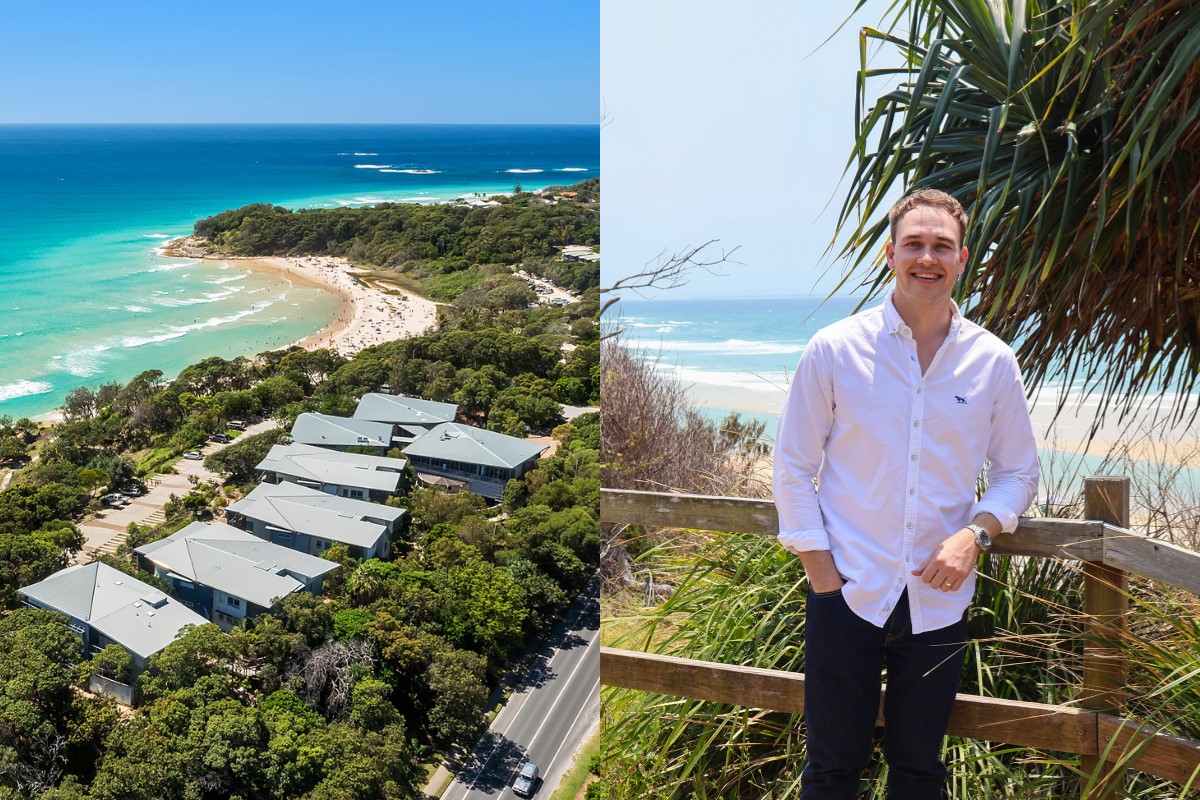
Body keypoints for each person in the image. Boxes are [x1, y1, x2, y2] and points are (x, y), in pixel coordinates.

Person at [772, 188, 1039, 799]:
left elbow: (1019, 472)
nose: (927, 257)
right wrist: (822, 576)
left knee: (920, 771)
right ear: (890, 254)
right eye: (914, 244)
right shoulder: (835, 349)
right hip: (847, 592)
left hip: (939, 600)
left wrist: (976, 535)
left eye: (941, 246)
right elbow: (791, 466)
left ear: (962, 258)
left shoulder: (993, 362)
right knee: (831, 769)